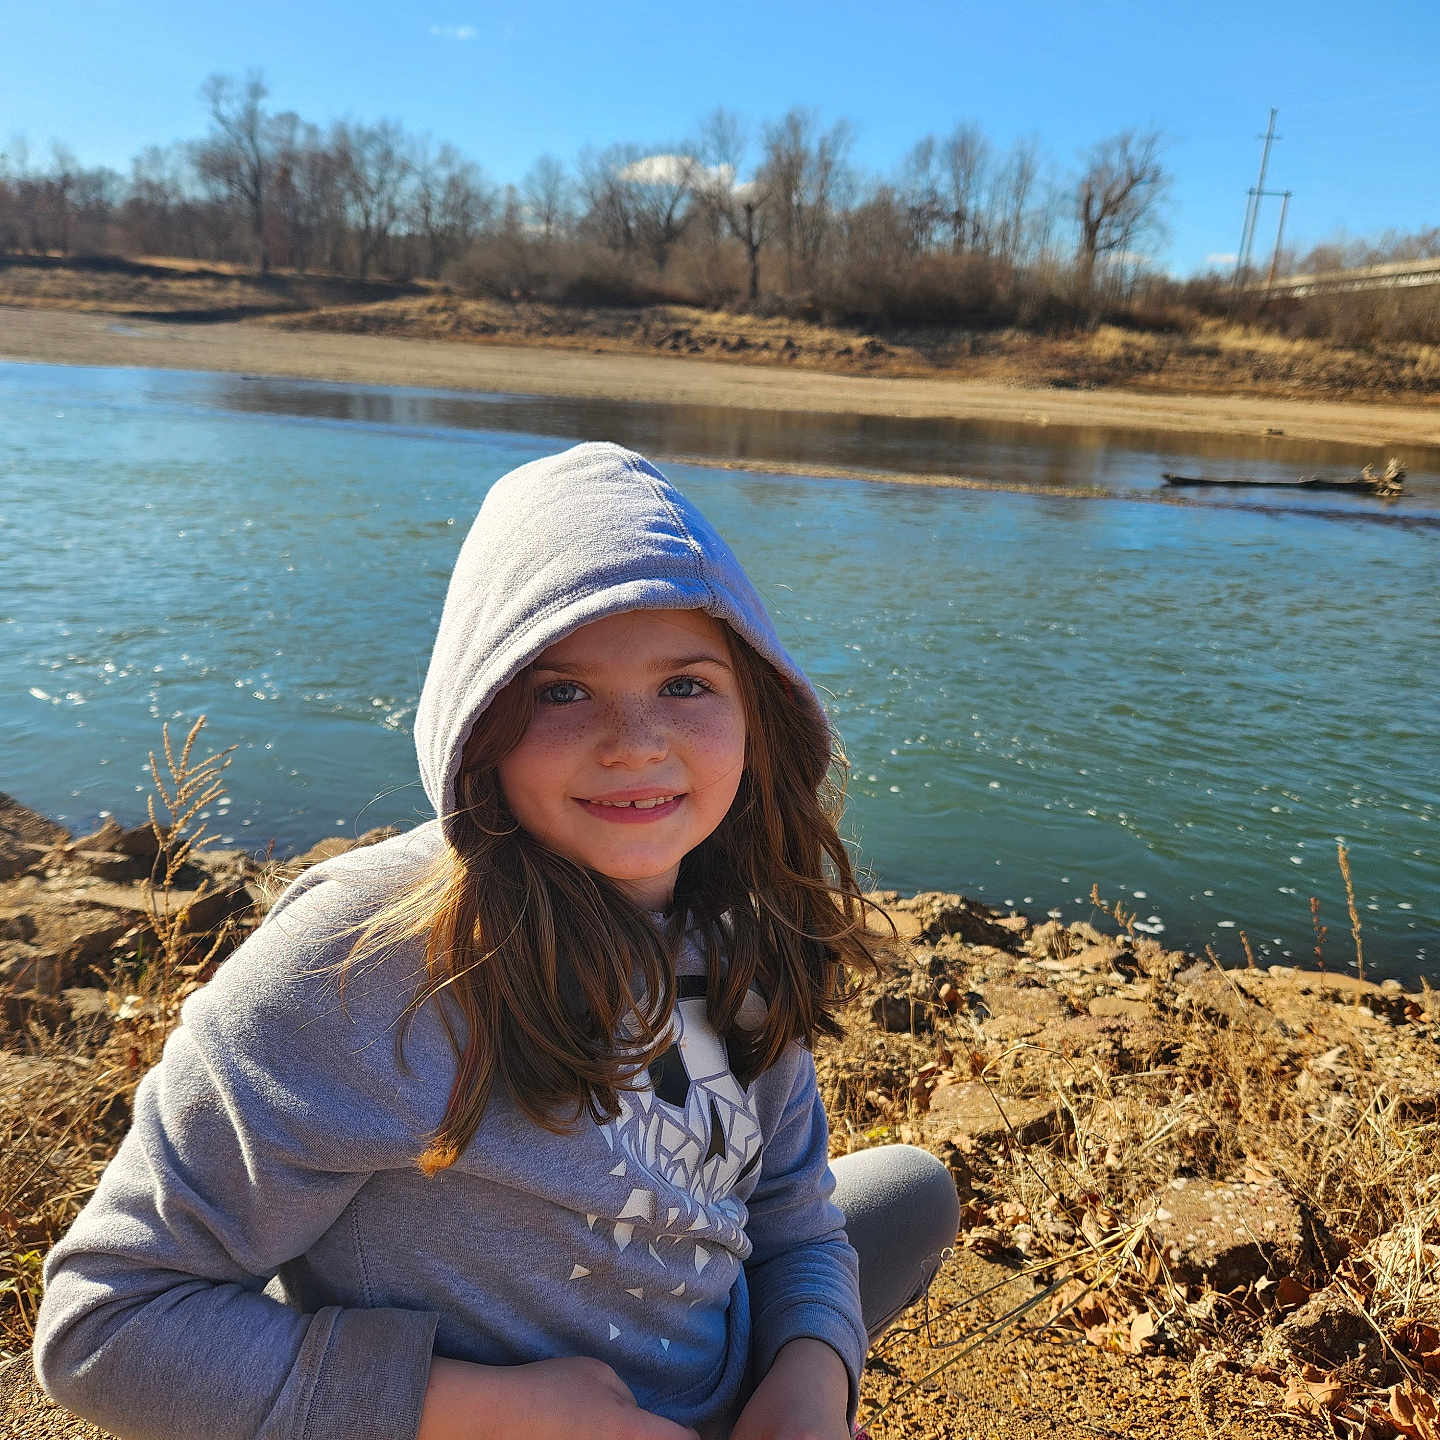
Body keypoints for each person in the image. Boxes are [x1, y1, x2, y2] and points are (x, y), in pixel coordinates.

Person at [33, 442, 959, 1440]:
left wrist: (807, 1383)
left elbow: (788, 1209)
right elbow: (103, 1323)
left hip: (717, 1384)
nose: (637, 740)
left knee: (911, 1191)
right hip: (492, 1420)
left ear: (758, 710)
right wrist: (486, 1411)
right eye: (561, 690)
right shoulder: (358, 963)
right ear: (476, 727)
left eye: (686, 684)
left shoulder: (732, 913)